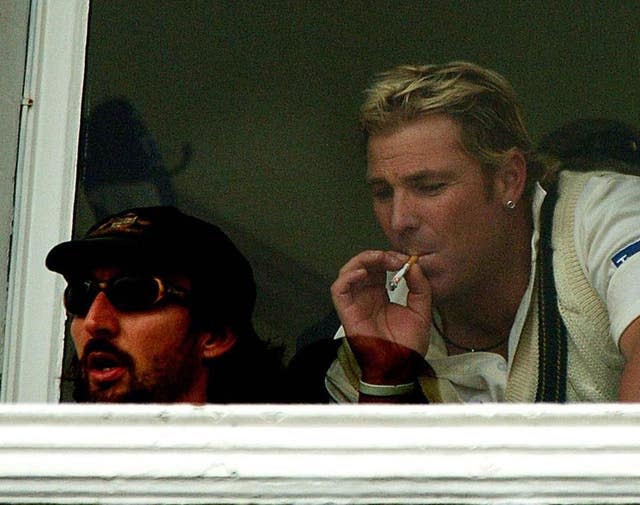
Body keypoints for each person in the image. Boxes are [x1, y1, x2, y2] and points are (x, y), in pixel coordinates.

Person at [292, 61, 640, 404]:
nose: (399, 220)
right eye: (383, 193)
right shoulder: (374, 326)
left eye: (429, 187)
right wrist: (388, 377)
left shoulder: (603, 213)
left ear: (509, 179)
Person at [46, 206, 284, 403]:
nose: (94, 321)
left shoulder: (271, 458)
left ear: (214, 336)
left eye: (134, 291)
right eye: (80, 296)